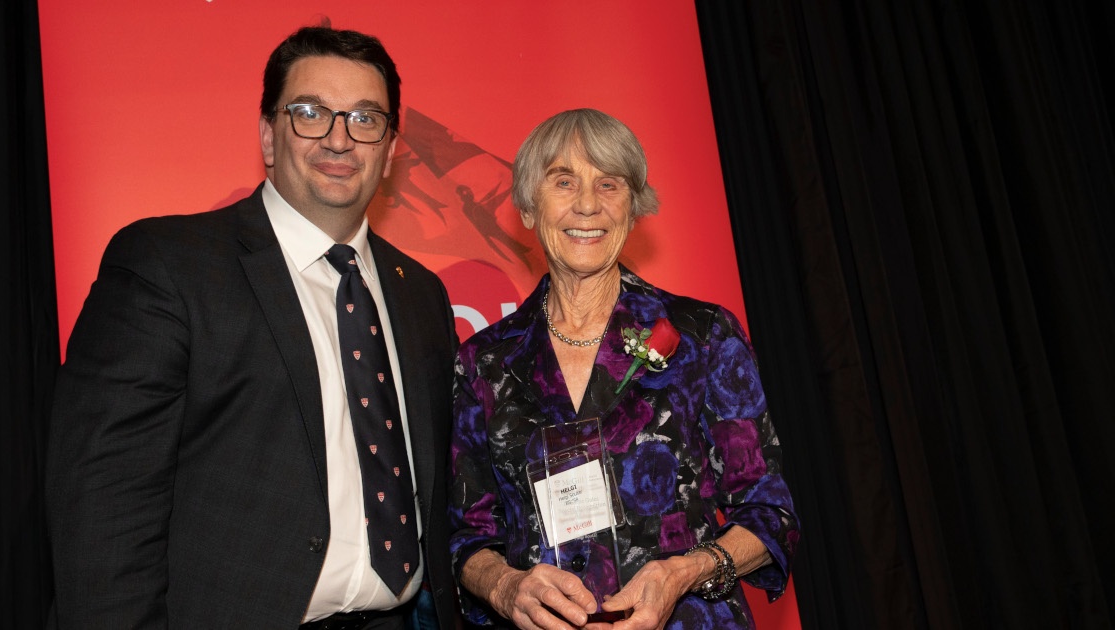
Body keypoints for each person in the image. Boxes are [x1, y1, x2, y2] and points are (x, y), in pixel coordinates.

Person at [46, 25, 459, 629]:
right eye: (311, 113)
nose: (340, 139)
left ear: (390, 148)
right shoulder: (169, 265)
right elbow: (101, 509)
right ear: (269, 135)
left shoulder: (421, 293)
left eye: (366, 119)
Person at [448, 109, 798, 629]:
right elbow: (466, 535)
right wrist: (505, 585)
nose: (587, 205)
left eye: (608, 184)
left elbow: (770, 513)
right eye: (563, 181)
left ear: (632, 208)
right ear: (527, 206)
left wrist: (685, 573)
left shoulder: (703, 335)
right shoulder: (484, 362)